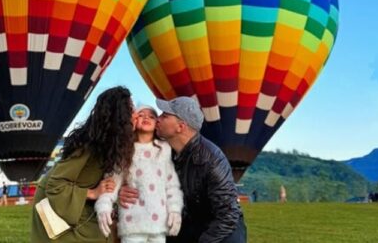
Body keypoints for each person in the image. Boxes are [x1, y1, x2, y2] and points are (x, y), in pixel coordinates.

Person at [119, 96, 247, 243]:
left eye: (165, 116)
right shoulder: (163, 152)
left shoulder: (211, 160)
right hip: (188, 223)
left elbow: (228, 215)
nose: (158, 119)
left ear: (180, 127)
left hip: (221, 230)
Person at [30, 86, 136, 242]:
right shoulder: (88, 145)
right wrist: (92, 192)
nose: (136, 114)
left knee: (102, 232)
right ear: (121, 116)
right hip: (56, 202)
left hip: (77, 204)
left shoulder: (113, 145)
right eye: (131, 110)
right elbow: (56, 185)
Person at [95, 105, 183, 242]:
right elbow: (112, 182)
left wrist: (175, 210)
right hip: (132, 223)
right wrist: (104, 206)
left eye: (152, 116)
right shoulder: (124, 150)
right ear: (134, 120)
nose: (147, 117)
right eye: (141, 114)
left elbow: (171, 184)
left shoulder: (165, 150)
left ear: (156, 125)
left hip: (158, 225)